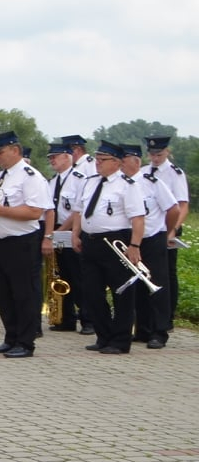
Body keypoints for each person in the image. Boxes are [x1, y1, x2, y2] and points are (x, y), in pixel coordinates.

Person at [0, 131, 49, 358]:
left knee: (24, 294)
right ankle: (11, 337)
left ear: (15, 150)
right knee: (3, 293)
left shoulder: (30, 176)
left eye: (1, 152)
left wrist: (2, 211)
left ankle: (26, 342)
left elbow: (35, 211)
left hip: (21, 243)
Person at [68, 140, 146, 355]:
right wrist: (75, 233)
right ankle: (104, 336)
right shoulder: (89, 182)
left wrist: (134, 245)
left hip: (115, 240)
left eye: (103, 160)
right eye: (97, 159)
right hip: (91, 240)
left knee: (122, 292)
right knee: (92, 292)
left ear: (117, 162)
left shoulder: (127, 185)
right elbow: (79, 211)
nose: (98, 163)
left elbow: (138, 218)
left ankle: (120, 340)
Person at [121, 144, 175, 350]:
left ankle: (159, 332)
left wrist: (167, 232)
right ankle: (142, 329)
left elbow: (173, 209)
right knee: (136, 286)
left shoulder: (151, 183)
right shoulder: (120, 184)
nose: (121, 165)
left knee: (156, 284)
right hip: (129, 240)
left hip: (152, 238)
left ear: (136, 162)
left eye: (123, 161)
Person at [143, 135, 187, 347]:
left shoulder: (174, 173)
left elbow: (182, 205)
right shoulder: (144, 172)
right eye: (152, 154)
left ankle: (166, 318)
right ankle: (145, 323)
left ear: (167, 152)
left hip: (167, 228)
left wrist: (173, 231)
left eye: (159, 154)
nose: (155, 158)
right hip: (148, 231)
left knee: (165, 275)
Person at [43, 140, 87, 333]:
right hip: (55, 231)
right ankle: (66, 318)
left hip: (71, 230)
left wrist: (60, 231)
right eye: (50, 157)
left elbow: (77, 210)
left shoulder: (79, 179)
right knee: (61, 277)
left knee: (78, 277)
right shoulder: (52, 181)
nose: (52, 160)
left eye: (55, 156)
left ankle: (87, 319)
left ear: (67, 157)